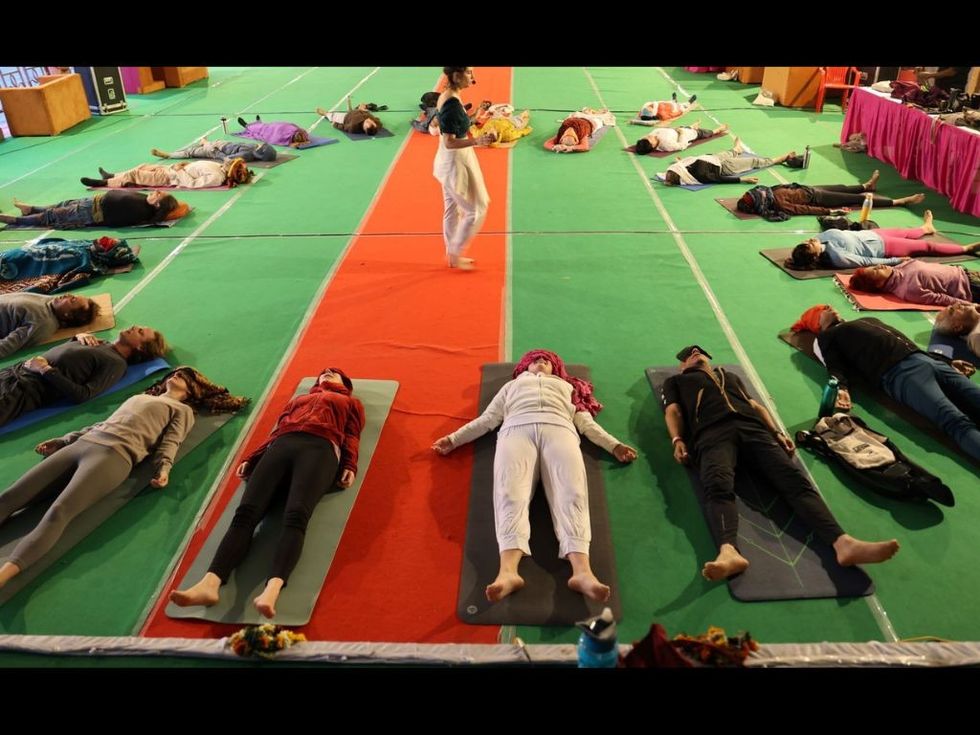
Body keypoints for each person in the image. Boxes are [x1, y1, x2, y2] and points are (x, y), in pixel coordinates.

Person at [662, 344, 899, 581]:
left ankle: (844, 543)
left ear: (708, 359)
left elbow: (755, 405)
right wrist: (677, 439)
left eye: (699, 351)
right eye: (687, 355)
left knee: (794, 480)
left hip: (753, 430)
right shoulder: (677, 382)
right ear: (681, 366)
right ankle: (728, 552)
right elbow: (673, 411)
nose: (695, 354)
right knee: (717, 484)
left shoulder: (730, 376)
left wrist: (775, 432)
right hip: (712, 433)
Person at [0, 367, 247, 592]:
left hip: (115, 456)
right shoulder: (139, 397)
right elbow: (102, 423)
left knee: (59, 512)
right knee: (12, 495)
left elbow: (171, 441)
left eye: (183, 376)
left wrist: (164, 468)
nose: (175, 375)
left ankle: (4, 575)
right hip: (85, 444)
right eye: (174, 373)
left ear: (193, 389)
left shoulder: (182, 411)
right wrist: (65, 440)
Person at [432, 349, 638, 603]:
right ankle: (507, 572)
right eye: (535, 361)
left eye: (547, 361)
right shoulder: (511, 387)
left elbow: (586, 424)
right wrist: (454, 440)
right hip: (516, 431)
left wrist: (613, 445)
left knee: (572, 493)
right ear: (524, 367)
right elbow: (487, 419)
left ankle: (582, 572)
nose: (541, 363)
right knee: (510, 494)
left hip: (560, 431)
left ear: (556, 369)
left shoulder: (566, 388)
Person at [171, 366, 364, 619]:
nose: (326, 373)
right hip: (282, 444)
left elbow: (352, 434)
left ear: (345, 383)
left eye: (333, 372)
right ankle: (210, 583)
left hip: (320, 448)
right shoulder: (299, 399)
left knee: (296, 516)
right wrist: (254, 456)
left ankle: (271, 590)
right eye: (323, 371)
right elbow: (276, 428)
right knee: (245, 513)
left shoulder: (349, 401)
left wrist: (349, 463)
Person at [792, 304, 980, 462]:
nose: (829, 307)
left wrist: (948, 361)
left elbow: (904, 343)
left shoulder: (866, 320)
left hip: (927, 361)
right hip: (901, 374)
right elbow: (833, 364)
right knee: (955, 421)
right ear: (818, 321)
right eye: (823, 309)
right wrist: (841, 388)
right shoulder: (827, 337)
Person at [0, 325, 169, 427]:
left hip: (20, 390)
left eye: (139, 332)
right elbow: (66, 357)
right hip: (12, 372)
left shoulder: (116, 364)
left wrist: (45, 369)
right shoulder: (100, 343)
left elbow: (83, 395)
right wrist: (76, 337)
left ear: (140, 347)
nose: (133, 327)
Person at [432, 66, 496, 269]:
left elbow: (458, 126)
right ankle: (455, 253)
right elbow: (450, 142)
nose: (473, 77)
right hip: (456, 161)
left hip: (451, 159)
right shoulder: (451, 103)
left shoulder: (449, 97)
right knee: (476, 209)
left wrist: (477, 115)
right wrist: (478, 141)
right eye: (469, 72)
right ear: (457, 75)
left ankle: (452, 254)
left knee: (452, 208)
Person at [787, 210, 979, 270]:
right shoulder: (837, 258)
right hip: (883, 247)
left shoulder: (820, 239)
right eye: (809, 244)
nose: (811, 239)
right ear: (814, 255)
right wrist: (894, 261)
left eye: (807, 241)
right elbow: (867, 261)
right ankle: (964, 248)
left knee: (905, 231)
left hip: (874, 235)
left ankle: (925, 227)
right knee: (926, 246)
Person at [736, 170, 925, 220]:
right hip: (816, 198)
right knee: (857, 200)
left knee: (842, 187)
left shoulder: (769, 192)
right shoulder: (778, 203)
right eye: (755, 194)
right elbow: (803, 209)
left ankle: (867, 185)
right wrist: (829, 211)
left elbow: (787, 185)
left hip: (809, 188)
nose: (758, 190)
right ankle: (898, 202)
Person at [0, 191, 179, 229]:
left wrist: (97, 218)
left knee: (52, 215)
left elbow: (115, 222)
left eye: (158, 194)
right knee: (61, 203)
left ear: (157, 205)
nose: (155, 191)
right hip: (93, 200)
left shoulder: (142, 212)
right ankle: (29, 209)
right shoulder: (145, 200)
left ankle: (14, 220)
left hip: (90, 212)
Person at [0, 293, 100, 359]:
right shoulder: (52, 302)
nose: (67, 295)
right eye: (73, 296)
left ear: (68, 315)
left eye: (72, 300)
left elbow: (8, 346)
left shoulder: (42, 323)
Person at [663, 136, 797, 185]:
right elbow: (720, 179)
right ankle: (779, 159)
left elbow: (680, 164)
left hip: (713, 158)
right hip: (726, 167)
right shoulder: (702, 176)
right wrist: (743, 180)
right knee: (753, 161)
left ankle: (736, 149)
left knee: (729, 152)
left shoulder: (682, 167)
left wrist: (679, 162)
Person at [849, 259, 980, 307]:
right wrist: (970, 305)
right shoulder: (907, 290)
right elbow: (941, 299)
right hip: (971, 288)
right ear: (878, 284)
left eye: (875, 266)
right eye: (876, 271)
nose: (879, 266)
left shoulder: (901, 265)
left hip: (967, 272)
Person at [81, 158, 253, 189]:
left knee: (135, 175)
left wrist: (180, 170)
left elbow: (191, 184)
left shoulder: (217, 177)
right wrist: (185, 164)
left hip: (171, 176)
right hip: (173, 169)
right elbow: (197, 167)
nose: (229, 161)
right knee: (143, 166)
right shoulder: (217, 167)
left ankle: (103, 183)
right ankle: (111, 175)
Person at [151, 137, 277, 163]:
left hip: (215, 149)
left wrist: (213, 150)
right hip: (222, 143)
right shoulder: (253, 148)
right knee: (197, 148)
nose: (260, 145)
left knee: (190, 152)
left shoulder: (247, 155)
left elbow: (226, 158)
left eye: (262, 147)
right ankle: (205, 142)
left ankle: (169, 155)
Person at [634, 121, 728, 155]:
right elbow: (682, 146)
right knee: (703, 133)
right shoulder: (667, 145)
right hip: (686, 135)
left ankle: (691, 126)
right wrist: (681, 133)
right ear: (653, 145)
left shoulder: (652, 136)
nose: (649, 136)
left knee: (684, 127)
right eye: (649, 138)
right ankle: (717, 130)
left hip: (675, 130)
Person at [551, 108, 617, 153]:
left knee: (601, 120)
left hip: (592, 122)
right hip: (579, 119)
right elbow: (547, 144)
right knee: (577, 115)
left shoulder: (582, 132)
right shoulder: (562, 132)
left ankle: (592, 114)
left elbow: (585, 146)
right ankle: (590, 114)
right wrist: (554, 147)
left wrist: (571, 148)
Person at [316, 96, 384, 136]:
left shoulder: (353, 127)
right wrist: (363, 108)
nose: (371, 120)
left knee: (331, 115)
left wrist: (335, 124)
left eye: (369, 122)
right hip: (359, 112)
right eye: (373, 122)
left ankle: (325, 114)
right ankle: (350, 108)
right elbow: (378, 123)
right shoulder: (376, 124)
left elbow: (344, 127)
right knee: (362, 105)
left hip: (346, 118)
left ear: (365, 127)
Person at [235, 115, 310, 148]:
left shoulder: (302, 133)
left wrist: (302, 142)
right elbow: (272, 138)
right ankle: (247, 125)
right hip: (273, 128)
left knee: (261, 128)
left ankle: (249, 125)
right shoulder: (281, 137)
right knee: (261, 129)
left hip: (275, 127)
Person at [632, 93, 698, 125]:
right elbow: (673, 115)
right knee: (682, 106)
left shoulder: (648, 109)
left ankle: (673, 100)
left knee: (670, 102)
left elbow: (641, 114)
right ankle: (689, 102)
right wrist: (680, 111)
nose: (647, 107)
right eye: (648, 109)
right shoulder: (662, 115)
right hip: (674, 108)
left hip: (666, 103)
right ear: (651, 113)